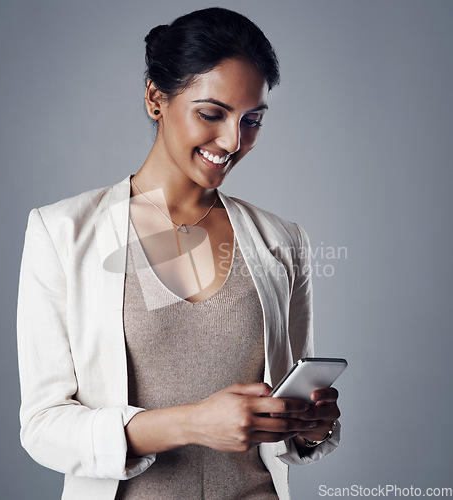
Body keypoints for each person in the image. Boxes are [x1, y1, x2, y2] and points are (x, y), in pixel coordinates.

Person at [17, 7, 341, 500]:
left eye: (251, 120)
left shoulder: (282, 240)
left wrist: (311, 426)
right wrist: (190, 424)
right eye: (212, 113)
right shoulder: (62, 232)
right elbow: (43, 426)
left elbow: (289, 426)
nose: (233, 141)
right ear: (155, 97)